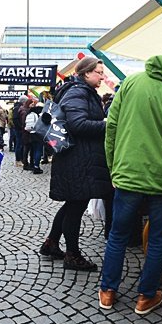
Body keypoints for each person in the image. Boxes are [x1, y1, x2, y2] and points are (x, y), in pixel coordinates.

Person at [98, 46, 162, 315]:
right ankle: (145, 296)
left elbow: (112, 128)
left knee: (117, 236)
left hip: (127, 174)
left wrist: (114, 168)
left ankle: (108, 291)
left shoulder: (132, 81)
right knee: (158, 239)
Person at [40, 57, 112, 271]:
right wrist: (106, 125)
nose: (102, 76)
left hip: (79, 159)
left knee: (73, 204)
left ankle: (51, 243)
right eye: (98, 72)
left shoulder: (82, 91)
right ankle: (73, 255)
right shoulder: (77, 92)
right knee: (76, 206)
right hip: (77, 160)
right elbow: (78, 125)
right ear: (86, 73)